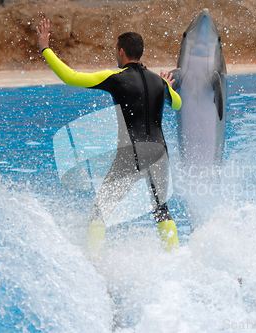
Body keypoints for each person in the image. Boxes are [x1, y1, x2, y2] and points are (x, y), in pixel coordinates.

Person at [36, 18, 182, 257]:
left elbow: (70, 77)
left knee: (100, 211)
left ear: (121, 52)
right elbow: (177, 104)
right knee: (161, 209)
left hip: (133, 153)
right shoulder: (159, 81)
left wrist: (45, 48)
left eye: (116, 50)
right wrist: (169, 86)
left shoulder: (117, 78)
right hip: (159, 153)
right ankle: (176, 257)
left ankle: (91, 263)